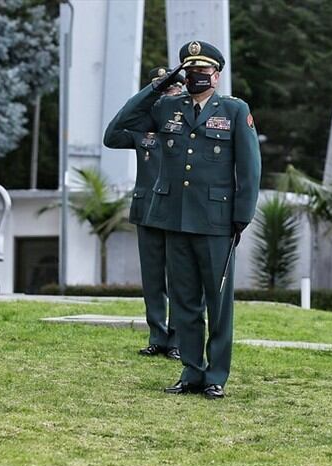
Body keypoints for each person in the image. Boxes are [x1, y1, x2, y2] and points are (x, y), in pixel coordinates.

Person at [111, 40, 261, 399]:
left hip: (216, 222)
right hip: (174, 219)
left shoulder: (235, 110)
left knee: (218, 304)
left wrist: (240, 218)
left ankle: (216, 376)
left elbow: (250, 168)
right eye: (190, 71)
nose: (195, 77)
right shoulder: (166, 107)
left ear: (217, 75)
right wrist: (157, 86)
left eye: (202, 71)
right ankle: (191, 372)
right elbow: (119, 128)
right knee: (185, 302)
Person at [103, 67, 185, 360]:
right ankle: (157, 336)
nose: (170, 96)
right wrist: (148, 93)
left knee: (177, 277)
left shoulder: (186, 125)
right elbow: (111, 135)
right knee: (152, 278)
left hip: (176, 210)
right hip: (147, 209)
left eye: (174, 90)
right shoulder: (144, 126)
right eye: (165, 91)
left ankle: (176, 340)